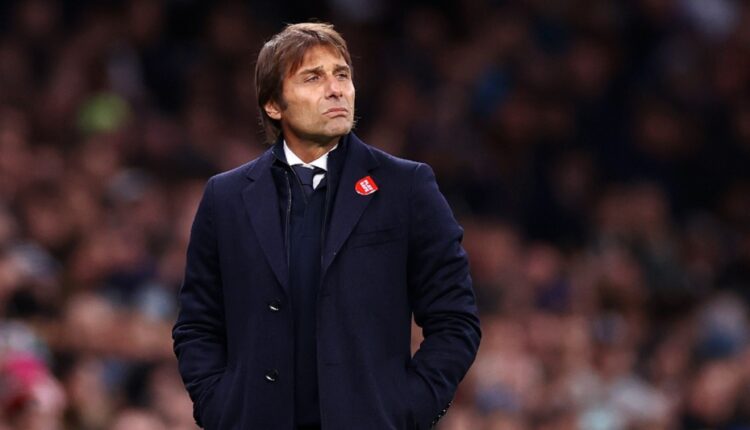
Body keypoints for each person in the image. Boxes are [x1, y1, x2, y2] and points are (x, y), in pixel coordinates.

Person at [172, 22, 481, 430]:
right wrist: (220, 408)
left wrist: (407, 408)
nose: (336, 89)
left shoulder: (406, 186)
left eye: (342, 74)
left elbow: (455, 319)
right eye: (313, 78)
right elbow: (197, 326)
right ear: (274, 105)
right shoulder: (225, 197)